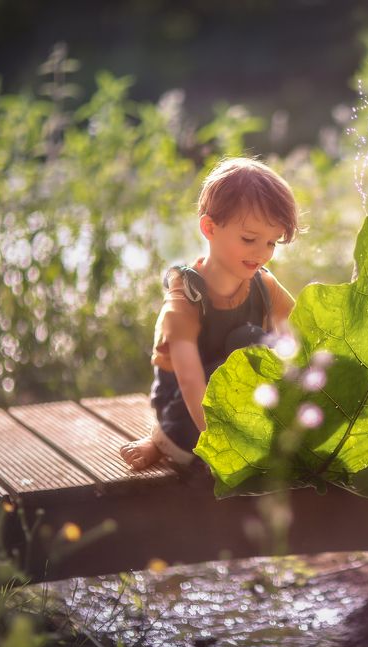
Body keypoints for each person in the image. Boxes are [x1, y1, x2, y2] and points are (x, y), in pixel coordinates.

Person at [120, 157, 299, 470]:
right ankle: (161, 440)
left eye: (271, 242)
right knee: (245, 351)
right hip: (185, 403)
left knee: (256, 342)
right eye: (249, 239)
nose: (261, 252)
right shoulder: (186, 293)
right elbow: (189, 378)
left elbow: (300, 334)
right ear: (209, 228)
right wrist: (217, 439)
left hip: (234, 394)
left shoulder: (263, 283)